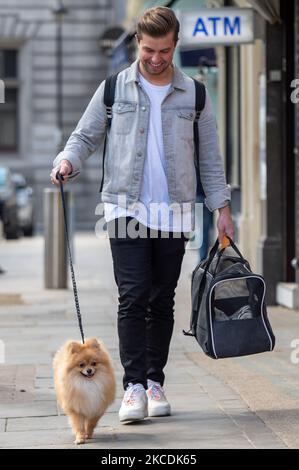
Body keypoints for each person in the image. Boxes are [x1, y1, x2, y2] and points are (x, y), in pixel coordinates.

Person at [50, 6, 234, 424]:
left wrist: (222, 209)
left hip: (174, 213)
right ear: (138, 42)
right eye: (149, 49)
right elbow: (84, 136)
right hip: (124, 208)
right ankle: (133, 386)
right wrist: (66, 160)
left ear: (175, 45)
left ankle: (155, 381)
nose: (156, 58)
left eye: (165, 50)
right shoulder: (114, 88)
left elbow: (210, 159)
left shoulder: (195, 94)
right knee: (133, 297)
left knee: (161, 299)